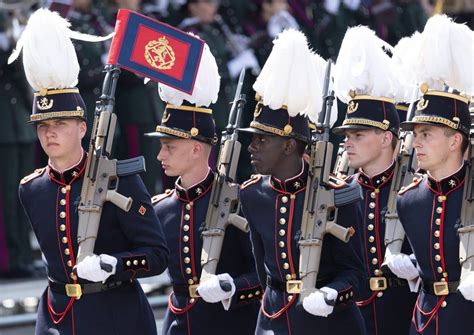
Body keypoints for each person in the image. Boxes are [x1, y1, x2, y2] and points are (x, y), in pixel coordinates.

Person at [12, 9, 168, 334]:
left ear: (82, 127)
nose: (49, 133)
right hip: (57, 316)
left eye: (59, 124)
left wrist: (115, 265)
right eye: (42, 126)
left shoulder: (120, 180)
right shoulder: (32, 189)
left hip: (115, 315)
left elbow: (156, 255)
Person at [239, 29, 366, 335]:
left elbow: (356, 273)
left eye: (262, 140)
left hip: (329, 322)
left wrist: (332, 294)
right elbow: (263, 268)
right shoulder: (252, 194)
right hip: (276, 318)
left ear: (288, 145)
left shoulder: (338, 194)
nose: (252, 147)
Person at [149, 40, 261, 334]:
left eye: (169, 147)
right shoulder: (161, 207)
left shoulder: (239, 200)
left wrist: (233, 287)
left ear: (198, 149)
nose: (161, 155)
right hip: (180, 324)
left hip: (232, 324)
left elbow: (265, 274)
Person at [385, 14, 474, 334]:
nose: (416, 142)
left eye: (427, 134)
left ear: (455, 140)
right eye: (415, 133)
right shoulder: (409, 200)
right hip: (424, 321)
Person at [331, 25, 417, 335]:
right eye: (346, 136)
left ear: (384, 139)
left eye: (357, 135)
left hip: (405, 312)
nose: (347, 143)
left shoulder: (417, 190)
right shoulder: (340, 194)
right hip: (354, 318)